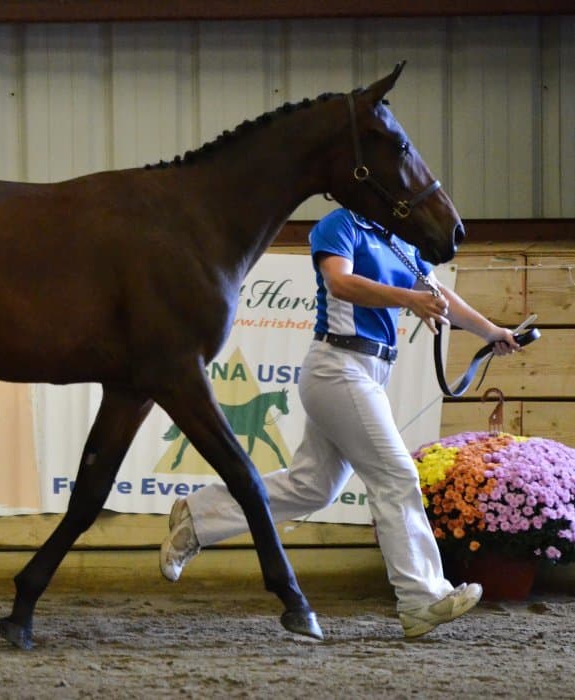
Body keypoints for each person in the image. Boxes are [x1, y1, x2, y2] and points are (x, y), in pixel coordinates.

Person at [159, 207, 520, 638]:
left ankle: (198, 515)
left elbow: (436, 293)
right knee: (395, 475)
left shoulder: (400, 240)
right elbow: (340, 282)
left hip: (372, 370)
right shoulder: (341, 225)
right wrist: (409, 300)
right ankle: (421, 598)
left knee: (312, 486)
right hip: (338, 366)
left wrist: (490, 331)